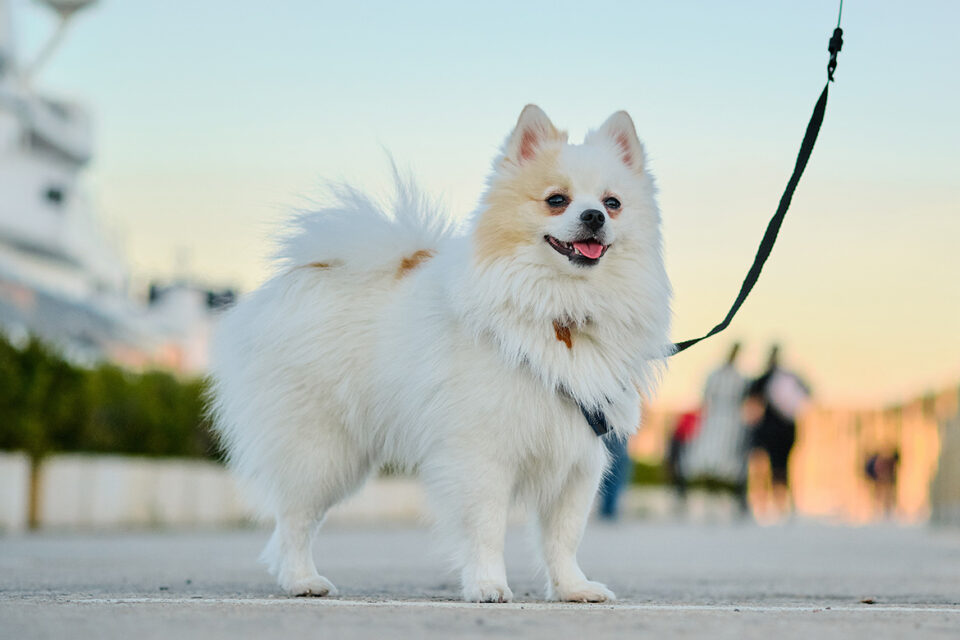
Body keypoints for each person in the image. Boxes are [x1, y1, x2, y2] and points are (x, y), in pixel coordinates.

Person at [683, 343, 750, 515]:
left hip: (731, 422)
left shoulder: (740, 378)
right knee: (708, 458)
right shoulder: (715, 374)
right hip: (714, 419)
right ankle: (706, 496)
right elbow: (706, 396)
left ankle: (728, 497)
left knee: (728, 461)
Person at [744, 345, 810, 519]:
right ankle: (775, 505)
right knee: (778, 469)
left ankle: (773, 505)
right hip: (782, 429)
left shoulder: (769, 379)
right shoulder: (785, 378)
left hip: (774, 430)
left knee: (774, 469)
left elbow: (751, 401)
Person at [664, 408, 701, 508]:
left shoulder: (696, 415)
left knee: (679, 468)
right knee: (673, 466)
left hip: (683, 441)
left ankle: (680, 491)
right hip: (678, 439)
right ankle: (677, 490)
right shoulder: (689, 411)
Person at [598, 435, 633, 520]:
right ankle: (609, 509)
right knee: (616, 477)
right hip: (617, 447)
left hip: (609, 444)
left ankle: (607, 509)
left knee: (609, 478)